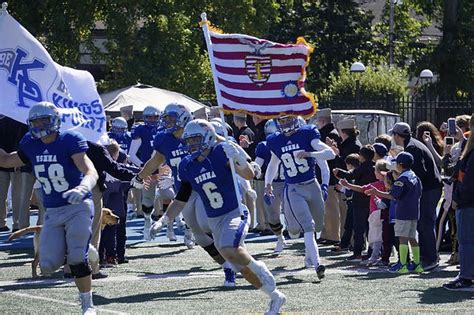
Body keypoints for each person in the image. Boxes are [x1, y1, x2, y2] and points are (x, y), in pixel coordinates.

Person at [157, 119, 287, 314]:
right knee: (239, 266)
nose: (191, 145)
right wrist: (164, 220)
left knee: (229, 248)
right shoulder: (187, 165)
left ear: (208, 138)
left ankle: (260, 268)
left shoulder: (222, 152)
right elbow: (181, 199)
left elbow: (249, 174)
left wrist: (240, 159)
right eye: (189, 141)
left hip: (235, 212)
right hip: (214, 219)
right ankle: (275, 296)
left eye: (195, 140)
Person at [0, 102, 98, 314]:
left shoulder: (70, 139)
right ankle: (84, 246)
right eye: (36, 121)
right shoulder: (30, 143)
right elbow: (7, 160)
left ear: (55, 120)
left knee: (75, 259)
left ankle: (87, 304)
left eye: (44, 120)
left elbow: (90, 171)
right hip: (52, 210)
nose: (40, 125)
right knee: (48, 265)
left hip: (77, 205)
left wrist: (83, 187)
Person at [132, 104, 237, 286]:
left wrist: (244, 158)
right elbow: (155, 161)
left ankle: (238, 257)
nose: (167, 123)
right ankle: (227, 266)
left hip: (209, 184)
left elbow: (223, 143)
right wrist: (139, 176)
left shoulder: (199, 129)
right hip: (186, 189)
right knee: (199, 235)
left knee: (211, 226)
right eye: (166, 119)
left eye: (171, 119)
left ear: (183, 118)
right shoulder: (164, 139)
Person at [265, 115, 335, 275]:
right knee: (303, 228)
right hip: (293, 188)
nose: (284, 123)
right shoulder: (276, 140)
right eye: (281, 121)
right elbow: (273, 163)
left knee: (317, 226)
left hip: (312, 185)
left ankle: (309, 255)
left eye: (287, 119)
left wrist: (310, 154)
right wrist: (268, 183)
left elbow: (330, 154)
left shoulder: (306, 134)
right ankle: (318, 264)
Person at [390, 122, 442, 271]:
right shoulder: (413, 145)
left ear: (398, 136)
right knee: (423, 224)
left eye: (394, 134)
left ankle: (429, 259)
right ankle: (428, 258)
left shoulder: (412, 147)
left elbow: (420, 172)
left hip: (429, 189)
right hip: (430, 188)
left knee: (424, 224)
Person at [366, 152, 424, 274]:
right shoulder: (415, 177)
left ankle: (403, 265)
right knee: (412, 238)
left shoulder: (402, 179)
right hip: (414, 212)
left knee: (402, 239)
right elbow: (419, 193)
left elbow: (392, 195)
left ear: (401, 165)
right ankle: (417, 264)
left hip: (403, 212)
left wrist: (376, 192)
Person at [443, 114, 474, 291]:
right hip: (468, 201)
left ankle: (466, 276)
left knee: (467, 240)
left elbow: (468, 182)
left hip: (468, 203)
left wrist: (458, 199)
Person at [333, 145, 376, 261]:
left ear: (362, 157)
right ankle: (372, 252)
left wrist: (338, 171)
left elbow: (351, 175)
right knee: (370, 229)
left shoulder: (362, 168)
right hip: (372, 202)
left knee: (359, 229)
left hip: (359, 202)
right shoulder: (375, 167)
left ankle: (357, 252)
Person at [312, 108, 344, 245]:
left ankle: (332, 235)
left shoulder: (330, 134)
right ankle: (326, 233)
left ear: (322, 121)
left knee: (331, 208)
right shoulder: (329, 133)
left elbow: (332, 157)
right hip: (326, 175)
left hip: (330, 176)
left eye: (318, 120)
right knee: (326, 207)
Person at [254, 119, 286, 253]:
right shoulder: (264, 146)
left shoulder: (291, 142)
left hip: (289, 181)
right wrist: (254, 168)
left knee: (293, 211)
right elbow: (258, 163)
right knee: (272, 216)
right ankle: (280, 238)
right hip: (271, 183)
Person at [128, 105, 161, 236]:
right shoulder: (141, 130)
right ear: (144, 118)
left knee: (170, 195)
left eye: (155, 117)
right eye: (150, 117)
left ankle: (178, 225)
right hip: (150, 169)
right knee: (148, 200)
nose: (153, 120)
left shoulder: (164, 130)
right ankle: (147, 220)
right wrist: (144, 167)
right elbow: (132, 154)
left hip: (165, 169)